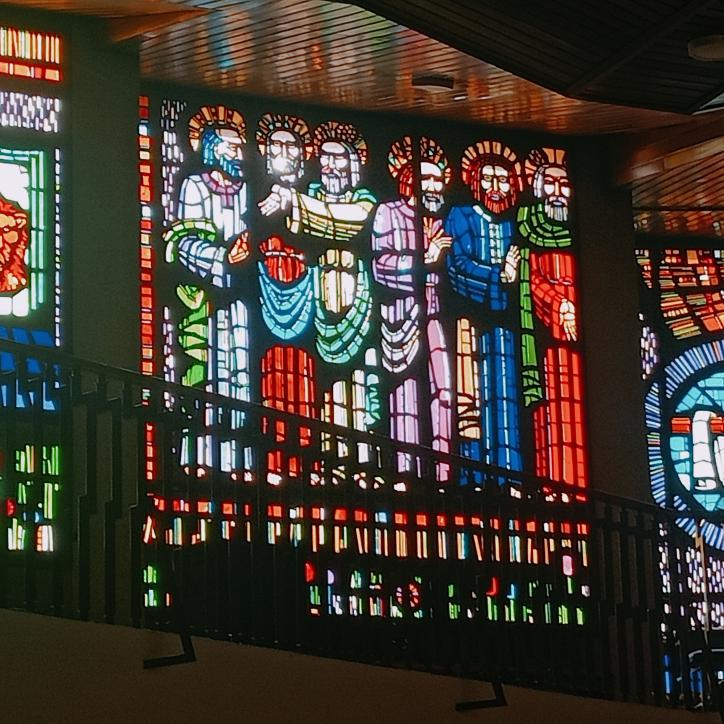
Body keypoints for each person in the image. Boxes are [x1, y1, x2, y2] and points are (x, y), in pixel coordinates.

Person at [371, 135, 453, 483]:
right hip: (400, 314)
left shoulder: (437, 221)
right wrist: (424, 259)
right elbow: (381, 266)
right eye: (426, 179)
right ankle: (406, 475)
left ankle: (444, 474)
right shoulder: (388, 212)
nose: (434, 186)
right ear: (407, 179)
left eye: (438, 180)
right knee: (405, 394)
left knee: (445, 391)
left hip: (434, 314)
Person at [445, 140, 524, 480]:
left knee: (505, 399)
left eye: (503, 180)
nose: (495, 187)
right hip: (466, 323)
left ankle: (508, 476)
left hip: (504, 327)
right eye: (488, 179)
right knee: (471, 402)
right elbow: (456, 265)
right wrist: (498, 275)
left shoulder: (513, 225)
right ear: (474, 182)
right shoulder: (460, 216)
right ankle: (472, 477)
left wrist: (512, 280)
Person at [517, 147, 586, 488]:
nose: (558, 192)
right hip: (549, 342)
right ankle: (556, 483)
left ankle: (572, 484)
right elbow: (531, 279)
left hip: (578, 342)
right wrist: (560, 304)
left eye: (564, 184)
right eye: (551, 183)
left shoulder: (582, 232)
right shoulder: (528, 228)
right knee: (553, 410)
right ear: (538, 187)